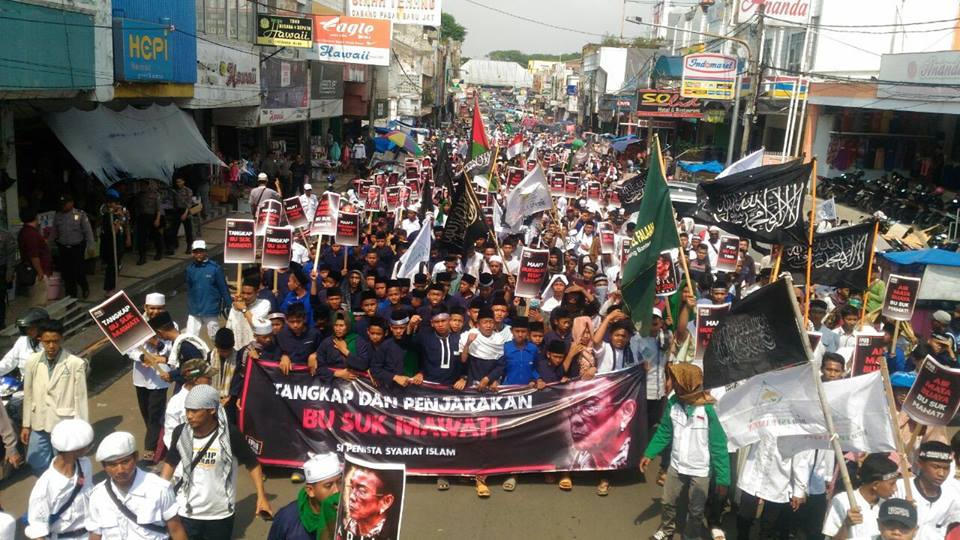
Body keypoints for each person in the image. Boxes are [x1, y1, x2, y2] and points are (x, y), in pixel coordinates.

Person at [162, 384, 273, 538]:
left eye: (194, 411)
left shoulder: (230, 435)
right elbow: (170, 463)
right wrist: (159, 492)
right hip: (185, 512)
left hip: (219, 515)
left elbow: (252, 464)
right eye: (187, 410)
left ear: (212, 410)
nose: (189, 415)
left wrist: (261, 496)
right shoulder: (181, 432)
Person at [641, 363, 730, 540]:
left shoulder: (708, 410)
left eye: (676, 381)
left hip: (700, 471)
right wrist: (649, 453)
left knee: (696, 511)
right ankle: (666, 531)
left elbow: (718, 445)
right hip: (676, 465)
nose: (673, 384)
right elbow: (665, 431)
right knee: (667, 501)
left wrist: (723, 478)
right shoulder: (673, 403)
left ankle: (690, 536)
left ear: (688, 383)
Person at [86, 431, 187, 539]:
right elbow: (95, 535)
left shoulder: (159, 488)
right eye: (112, 465)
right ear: (104, 466)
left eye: (125, 462)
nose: (120, 470)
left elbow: (176, 530)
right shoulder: (98, 495)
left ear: (136, 457)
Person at [21, 319, 88, 475]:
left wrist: (82, 431)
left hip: (63, 422)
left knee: (64, 464)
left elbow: (81, 398)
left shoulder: (74, 363)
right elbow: (28, 394)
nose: (51, 346)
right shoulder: (33, 361)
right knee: (36, 461)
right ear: (40, 340)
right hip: (39, 422)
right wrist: (26, 425)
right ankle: (46, 488)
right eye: (47, 342)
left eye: (55, 341)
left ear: (61, 339)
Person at [25, 418, 93, 540]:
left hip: (91, 534)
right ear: (75, 450)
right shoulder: (44, 487)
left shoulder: (85, 465)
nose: (90, 448)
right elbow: (37, 532)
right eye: (88, 446)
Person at [822, 452, 900, 539]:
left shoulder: (889, 506)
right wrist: (846, 525)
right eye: (892, 483)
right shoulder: (842, 501)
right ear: (875, 485)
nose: (895, 489)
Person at [268, 452, 341, 540]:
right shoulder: (288, 518)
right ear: (310, 490)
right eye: (328, 486)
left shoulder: (350, 515)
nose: (337, 490)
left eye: (340, 482)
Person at [893, 441, 959, 539]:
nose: (941, 473)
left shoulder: (953, 495)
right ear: (920, 464)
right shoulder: (898, 488)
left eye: (946, 468)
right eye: (936, 467)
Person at [185, 240, 232, 342]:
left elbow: (223, 288)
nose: (198, 254)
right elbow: (189, 289)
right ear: (192, 253)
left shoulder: (215, 268)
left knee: (214, 337)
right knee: (190, 337)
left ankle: (219, 355)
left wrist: (229, 305)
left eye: (201, 251)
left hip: (210, 309)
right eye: (196, 251)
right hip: (194, 310)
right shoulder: (190, 269)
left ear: (206, 252)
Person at [50, 194, 95, 299]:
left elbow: (88, 232)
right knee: (67, 273)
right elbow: (54, 232)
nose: (63, 207)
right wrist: (49, 245)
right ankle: (71, 295)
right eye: (62, 205)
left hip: (77, 247)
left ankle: (84, 287)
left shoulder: (80, 215)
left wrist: (90, 246)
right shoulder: (58, 216)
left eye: (65, 204)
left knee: (78, 271)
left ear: (71, 203)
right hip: (63, 248)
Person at [341, 464, 399, 539]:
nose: (351, 497)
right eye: (351, 487)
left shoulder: (392, 533)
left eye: (362, 491)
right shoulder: (345, 527)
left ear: (386, 501)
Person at [316, 312, 371, 382]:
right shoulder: (327, 342)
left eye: (341, 326)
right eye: (335, 325)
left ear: (349, 326)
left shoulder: (359, 342)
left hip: (355, 388)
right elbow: (319, 368)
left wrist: (345, 351)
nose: (337, 329)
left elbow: (363, 365)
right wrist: (337, 373)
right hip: (332, 386)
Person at [18, 207, 54, 307]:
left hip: (36, 270)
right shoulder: (30, 234)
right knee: (39, 301)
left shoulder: (26, 231)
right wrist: (40, 273)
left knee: (39, 299)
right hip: (38, 272)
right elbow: (34, 255)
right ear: (35, 217)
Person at [0, 307, 48, 377]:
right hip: (25, 383)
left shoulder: (49, 344)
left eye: (32, 328)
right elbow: (9, 361)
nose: (28, 331)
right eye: (26, 329)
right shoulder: (22, 341)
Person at [100, 188, 131, 292]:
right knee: (111, 266)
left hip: (119, 242)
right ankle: (109, 288)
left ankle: (113, 285)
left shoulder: (120, 211)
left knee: (117, 264)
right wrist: (119, 217)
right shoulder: (108, 215)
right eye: (112, 203)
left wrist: (128, 237)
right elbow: (115, 230)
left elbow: (126, 225)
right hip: (110, 244)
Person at [135, 180, 164, 265]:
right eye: (141, 185)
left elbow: (159, 209)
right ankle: (142, 256)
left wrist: (157, 219)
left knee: (156, 235)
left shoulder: (155, 194)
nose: (142, 187)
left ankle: (159, 252)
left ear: (148, 185)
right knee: (142, 238)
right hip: (142, 217)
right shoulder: (139, 195)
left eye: (144, 185)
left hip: (153, 216)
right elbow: (137, 207)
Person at [170, 177, 196, 255]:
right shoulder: (175, 191)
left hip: (185, 210)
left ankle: (189, 246)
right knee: (174, 229)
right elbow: (174, 202)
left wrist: (185, 213)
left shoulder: (188, 190)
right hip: (177, 210)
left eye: (180, 181)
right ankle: (173, 245)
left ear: (183, 182)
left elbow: (189, 203)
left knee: (188, 230)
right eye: (177, 182)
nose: (178, 183)